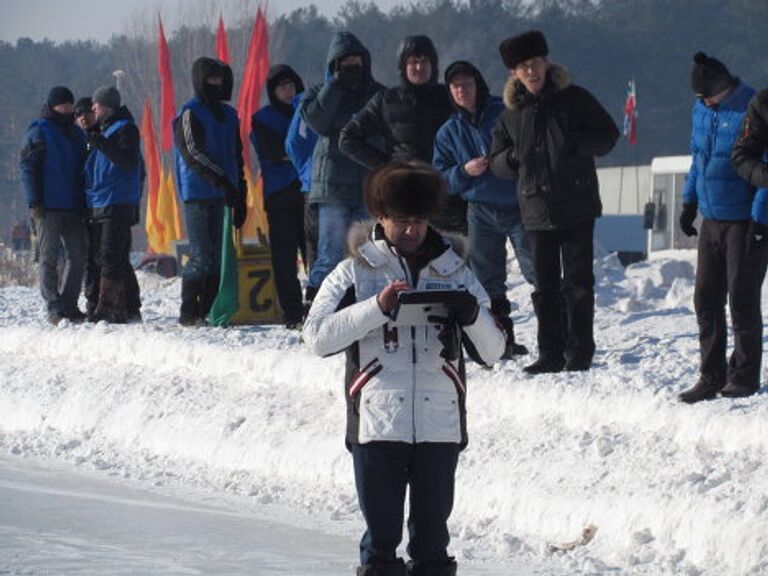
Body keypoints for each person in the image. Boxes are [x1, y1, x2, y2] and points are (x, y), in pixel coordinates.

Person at [303, 161, 506, 576]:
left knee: (433, 544)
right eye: (401, 221)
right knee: (380, 544)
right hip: (378, 423)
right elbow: (317, 336)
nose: (412, 230)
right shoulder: (355, 271)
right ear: (380, 216)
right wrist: (377, 309)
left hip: (440, 424)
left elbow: (494, 351)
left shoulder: (456, 270)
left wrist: (470, 315)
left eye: (419, 220)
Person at [490, 30, 619, 374]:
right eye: (522, 67)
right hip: (535, 209)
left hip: (576, 204)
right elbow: (495, 160)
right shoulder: (510, 113)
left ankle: (580, 352)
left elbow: (608, 136)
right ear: (513, 74)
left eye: (534, 63)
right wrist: (513, 159)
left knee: (578, 284)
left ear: (546, 63)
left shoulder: (574, 98)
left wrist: (575, 143)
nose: (530, 72)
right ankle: (550, 352)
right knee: (544, 287)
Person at [676, 52, 763, 402]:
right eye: (700, 99)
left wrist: (760, 220)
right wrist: (688, 202)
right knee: (706, 300)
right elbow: (697, 159)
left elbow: (764, 170)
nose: (705, 102)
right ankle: (711, 375)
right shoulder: (702, 110)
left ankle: (744, 375)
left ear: (724, 86)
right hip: (712, 219)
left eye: (709, 96)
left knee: (742, 299)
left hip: (745, 220)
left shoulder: (751, 108)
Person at [433, 60, 535, 358]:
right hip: (479, 209)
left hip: (518, 206)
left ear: (478, 85)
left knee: (536, 270)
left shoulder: (504, 112)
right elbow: (440, 179)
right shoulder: (448, 131)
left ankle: (558, 335)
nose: (462, 91)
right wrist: (464, 171)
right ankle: (502, 341)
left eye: (466, 84)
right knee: (487, 280)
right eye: (455, 86)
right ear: (450, 92)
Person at [339, 35, 466, 234]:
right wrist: (389, 167)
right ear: (402, 66)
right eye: (413, 62)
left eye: (424, 61)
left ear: (433, 65)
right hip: (405, 195)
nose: (419, 67)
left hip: (448, 196)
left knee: (452, 259)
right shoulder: (386, 100)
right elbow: (347, 138)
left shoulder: (450, 98)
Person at [299, 31, 384, 303]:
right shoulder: (318, 93)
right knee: (329, 254)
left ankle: (360, 307)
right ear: (334, 64)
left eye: (356, 61)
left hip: (366, 185)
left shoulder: (377, 93)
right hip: (332, 188)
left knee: (367, 254)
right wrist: (335, 85)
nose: (351, 67)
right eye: (344, 62)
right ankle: (315, 309)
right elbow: (318, 123)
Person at [174, 57, 247, 326]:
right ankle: (188, 312)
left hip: (223, 194)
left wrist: (241, 191)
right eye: (210, 80)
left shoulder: (229, 115)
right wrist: (223, 181)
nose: (215, 84)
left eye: (219, 79)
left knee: (219, 256)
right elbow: (193, 154)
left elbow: (236, 155)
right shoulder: (189, 113)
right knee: (201, 254)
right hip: (197, 193)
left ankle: (207, 309)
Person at [19, 86, 88, 324]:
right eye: (62, 104)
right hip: (46, 207)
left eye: (70, 104)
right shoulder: (39, 131)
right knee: (47, 257)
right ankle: (53, 305)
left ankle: (69, 304)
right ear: (52, 105)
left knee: (78, 255)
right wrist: (33, 202)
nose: (67, 108)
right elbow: (27, 168)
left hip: (73, 206)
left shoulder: (77, 134)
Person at [251, 64, 306, 329]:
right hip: (280, 193)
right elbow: (273, 151)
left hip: (307, 190)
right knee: (284, 258)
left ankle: (318, 307)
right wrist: (297, 152)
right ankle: (292, 313)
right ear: (273, 91)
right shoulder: (262, 118)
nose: (287, 90)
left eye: (291, 84)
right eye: (281, 86)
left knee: (314, 252)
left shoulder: (308, 112)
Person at [83, 85, 143, 323]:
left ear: (106, 105)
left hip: (116, 201)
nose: (93, 109)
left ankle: (109, 308)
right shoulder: (105, 130)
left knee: (110, 255)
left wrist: (101, 142)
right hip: (101, 201)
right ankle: (126, 305)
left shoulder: (125, 129)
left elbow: (127, 161)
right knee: (109, 256)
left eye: (95, 105)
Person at [286, 91, 319, 293]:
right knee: (318, 248)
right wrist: (307, 170)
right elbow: (292, 144)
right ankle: (317, 300)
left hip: (352, 187)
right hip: (315, 186)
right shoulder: (312, 100)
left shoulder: (366, 94)